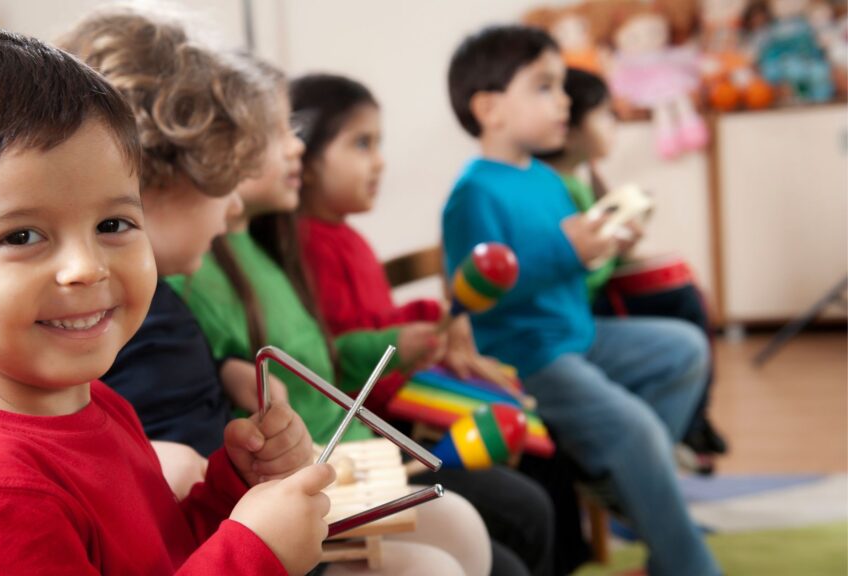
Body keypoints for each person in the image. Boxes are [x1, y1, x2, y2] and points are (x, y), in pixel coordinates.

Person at [0, 27, 330, 574]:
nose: (87, 267)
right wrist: (253, 556)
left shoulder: (94, 403)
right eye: (20, 236)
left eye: (113, 223)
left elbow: (162, 556)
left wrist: (237, 492)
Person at [442, 24, 721, 576]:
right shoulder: (473, 193)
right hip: (529, 358)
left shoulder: (544, 178)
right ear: (490, 108)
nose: (564, 100)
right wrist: (566, 249)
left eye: (561, 88)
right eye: (545, 87)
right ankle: (686, 564)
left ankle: (615, 479)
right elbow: (477, 298)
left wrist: (607, 244)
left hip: (580, 338)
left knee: (686, 349)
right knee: (637, 430)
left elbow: (569, 262)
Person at [291, 72, 576, 576]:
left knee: (535, 440)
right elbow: (341, 352)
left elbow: (374, 321)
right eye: (362, 143)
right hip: (387, 423)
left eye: (378, 143)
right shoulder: (309, 246)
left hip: (400, 407)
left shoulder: (347, 237)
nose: (379, 160)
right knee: (528, 499)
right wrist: (410, 343)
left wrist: (431, 318)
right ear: (306, 160)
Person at [535, 67, 728, 474]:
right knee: (682, 300)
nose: (614, 124)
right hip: (578, 315)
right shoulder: (558, 187)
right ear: (569, 131)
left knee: (683, 291)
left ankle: (684, 424)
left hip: (585, 305)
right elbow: (576, 275)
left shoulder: (580, 180)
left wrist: (620, 246)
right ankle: (677, 430)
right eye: (604, 114)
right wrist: (611, 249)